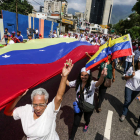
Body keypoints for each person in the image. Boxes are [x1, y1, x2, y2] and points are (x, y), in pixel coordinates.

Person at [4, 59, 74, 140]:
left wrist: (64, 76)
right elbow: (7, 112)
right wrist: (18, 97)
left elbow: (58, 97)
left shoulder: (50, 110)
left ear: (46, 102)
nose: (37, 108)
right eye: (35, 104)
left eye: (41, 104)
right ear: (32, 103)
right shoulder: (26, 109)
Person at [67, 67, 107, 140]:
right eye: (82, 75)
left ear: (89, 76)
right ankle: (71, 138)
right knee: (76, 123)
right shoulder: (77, 82)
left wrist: (102, 76)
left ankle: (87, 124)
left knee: (86, 118)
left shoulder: (91, 83)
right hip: (79, 106)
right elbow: (68, 83)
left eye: (86, 75)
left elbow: (99, 83)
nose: (84, 77)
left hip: (88, 107)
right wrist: (64, 76)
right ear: (80, 75)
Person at [120, 58, 140, 122]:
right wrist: (131, 76)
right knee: (127, 100)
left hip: (137, 90)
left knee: (129, 101)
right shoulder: (132, 68)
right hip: (129, 87)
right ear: (138, 62)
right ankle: (124, 114)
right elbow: (125, 77)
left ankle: (125, 107)